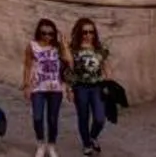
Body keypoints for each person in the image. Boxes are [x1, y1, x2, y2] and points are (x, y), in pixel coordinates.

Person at [22, 17, 67, 157]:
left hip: (55, 87)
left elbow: (69, 62)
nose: (48, 36)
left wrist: (64, 44)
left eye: (51, 33)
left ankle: (51, 145)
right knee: (37, 117)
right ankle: (40, 143)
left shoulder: (58, 47)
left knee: (53, 119)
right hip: (38, 87)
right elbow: (27, 66)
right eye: (44, 33)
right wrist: (26, 85)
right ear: (39, 33)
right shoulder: (32, 45)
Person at [67, 18, 111, 155]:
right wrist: (69, 89)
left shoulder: (100, 48)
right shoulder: (73, 49)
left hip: (97, 86)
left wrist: (109, 83)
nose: (87, 35)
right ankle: (86, 144)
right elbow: (69, 69)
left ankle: (93, 136)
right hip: (80, 87)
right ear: (79, 33)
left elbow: (106, 66)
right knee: (83, 117)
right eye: (84, 32)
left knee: (100, 117)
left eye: (91, 32)